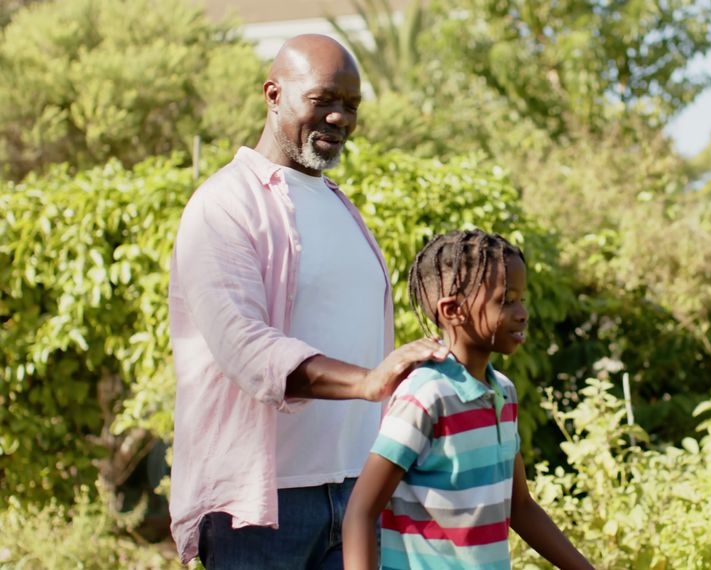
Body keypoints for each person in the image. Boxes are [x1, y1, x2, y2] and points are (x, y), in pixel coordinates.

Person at [168, 34, 448, 568]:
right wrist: (367, 382)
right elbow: (246, 349)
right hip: (259, 511)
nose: (341, 118)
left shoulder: (344, 208)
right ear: (273, 94)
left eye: (351, 106)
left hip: (357, 494)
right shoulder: (222, 205)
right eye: (324, 101)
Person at [341, 229, 593, 570]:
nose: (522, 313)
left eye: (522, 299)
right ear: (453, 310)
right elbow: (361, 511)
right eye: (506, 300)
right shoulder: (426, 395)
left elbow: (520, 506)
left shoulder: (503, 392)